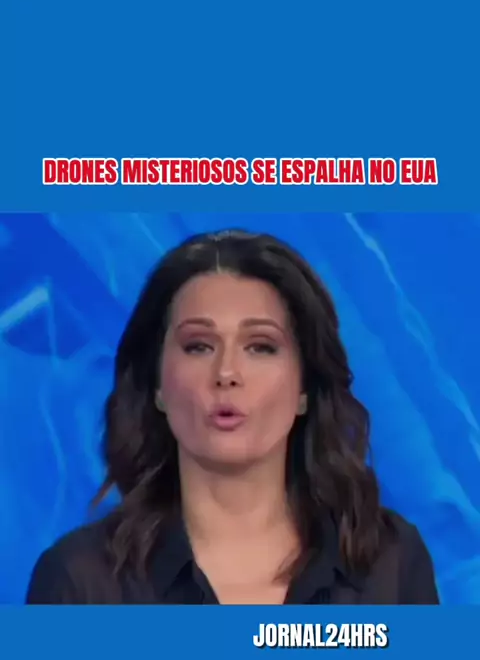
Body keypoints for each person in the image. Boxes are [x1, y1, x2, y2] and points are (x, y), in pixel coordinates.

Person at [26, 229, 439, 605]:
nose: (226, 373)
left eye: (260, 347)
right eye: (198, 346)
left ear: (304, 389)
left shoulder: (391, 563)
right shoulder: (79, 580)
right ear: (157, 387)